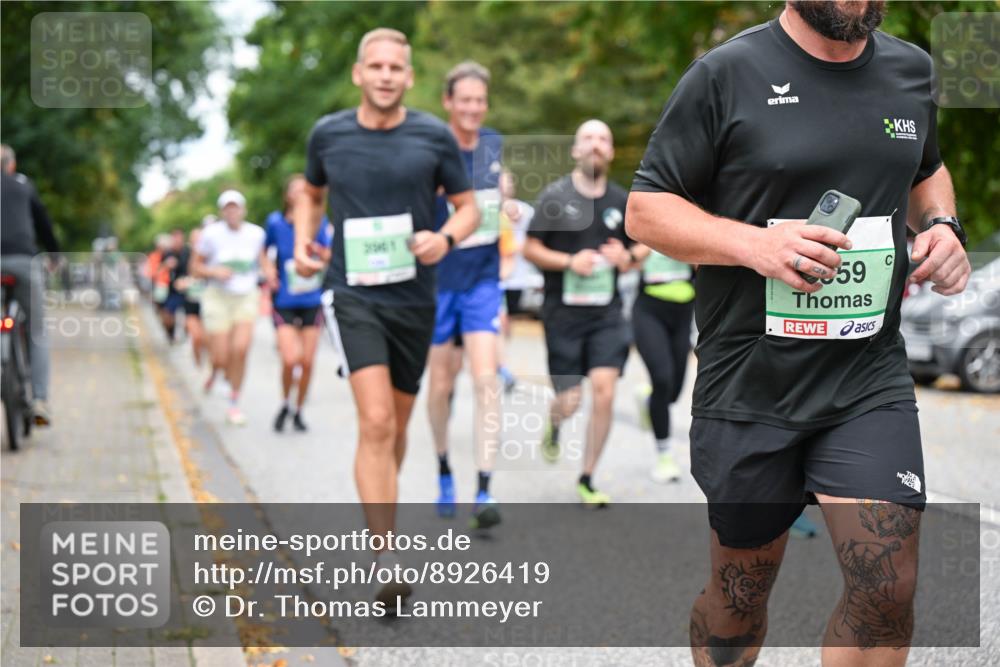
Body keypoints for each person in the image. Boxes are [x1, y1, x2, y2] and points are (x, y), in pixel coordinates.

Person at [624, 2, 971, 665]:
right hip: (752, 380)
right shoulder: (726, 74)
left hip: (867, 373)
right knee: (738, 601)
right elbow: (646, 209)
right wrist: (756, 245)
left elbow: (926, 169)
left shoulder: (911, 71)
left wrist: (943, 227)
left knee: (886, 585)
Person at [291, 28, 478, 607]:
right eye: (376, 66)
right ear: (358, 73)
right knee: (374, 422)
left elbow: (470, 208)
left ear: (409, 76)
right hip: (351, 294)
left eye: (396, 67)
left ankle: (383, 518)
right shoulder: (329, 134)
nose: (386, 75)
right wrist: (303, 240)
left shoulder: (432, 135)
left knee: (395, 428)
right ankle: (385, 555)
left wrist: (444, 238)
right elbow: (310, 192)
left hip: (414, 298)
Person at [523, 120, 640, 507]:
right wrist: (570, 261)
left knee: (604, 392)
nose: (595, 145)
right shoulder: (555, 196)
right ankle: (555, 422)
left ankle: (588, 476)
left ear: (610, 151)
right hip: (563, 315)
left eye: (603, 139)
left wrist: (627, 257)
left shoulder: (622, 201)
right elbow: (530, 249)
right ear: (575, 150)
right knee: (571, 400)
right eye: (587, 138)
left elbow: (644, 247)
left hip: (606, 314)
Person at [426, 61, 504, 529]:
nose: (473, 108)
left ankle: (483, 488)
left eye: (480, 100)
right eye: (465, 100)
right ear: (448, 102)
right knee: (440, 385)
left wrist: (508, 202)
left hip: (482, 279)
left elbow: (499, 205)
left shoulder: (495, 144)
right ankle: (442, 470)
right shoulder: (430, 146)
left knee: (485, 380)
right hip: (439, 281)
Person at [191, 190, 270, 426]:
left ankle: (234, 402)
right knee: (221, 355)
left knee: (241, 348)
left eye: (236, 207)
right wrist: (215, 271)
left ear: (243, 210)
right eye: (228, 207)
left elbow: (263, 260)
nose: (232, 211)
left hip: (246, 295)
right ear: (222, 211)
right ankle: (217, 371)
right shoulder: (210, 234)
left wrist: (270, 272)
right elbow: (195, 267)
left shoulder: (256, 234)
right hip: (217, 296)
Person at [264, 175, 332, 433]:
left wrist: (318, 254)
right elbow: (263, 252)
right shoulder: (275, 222)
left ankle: (298, 409)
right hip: (285, 300)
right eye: (295, 190)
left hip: (312, 300)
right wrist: (269, 270)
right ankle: (284, 402)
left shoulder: (320, 221)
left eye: (304, 189)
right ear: (287, 196)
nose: (300, 193)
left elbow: (329, 255)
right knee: (290, 359)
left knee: (307, 363)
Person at [0, 144, 60, 425]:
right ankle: (39, 398)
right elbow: (43, 223)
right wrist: (55, 254)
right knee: (37, 329)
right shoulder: (23, 185)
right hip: (23, 261)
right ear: (11, 165)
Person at [629, 246, 694, 483]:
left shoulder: (690, 218)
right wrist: (647, 246)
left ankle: (649, 401)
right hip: (649, 310)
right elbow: (625, 263)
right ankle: (664, 456)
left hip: (683, 311)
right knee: (662, 379)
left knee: (672, 393)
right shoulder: (644, 222)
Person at [496, 168, 540, 392]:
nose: (504, 186)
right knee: (499, 322)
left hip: (516, 280)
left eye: (507, 182)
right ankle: (503, 369)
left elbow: (528, 227)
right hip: (494, 280)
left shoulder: (523, 209)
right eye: (499, 182)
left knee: (506, 325)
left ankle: (498, 361)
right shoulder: (486, 211)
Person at [176, 226, 207, 367]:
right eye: (195, 239)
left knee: (209, 340)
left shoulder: (210, 256)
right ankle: (198, 365)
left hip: (209, 304)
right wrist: (183, 283)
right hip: (190, 303)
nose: (198, 242)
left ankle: (212, 370)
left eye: (200, 239)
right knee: (196, 337)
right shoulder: (184, 256)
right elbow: (176, 280)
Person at [158, 228, 188, 343]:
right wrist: (166, 265)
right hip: (171, 289)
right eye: (175, 238)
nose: (177, 240)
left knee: (189, 318)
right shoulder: (167, 253)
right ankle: (171, 335)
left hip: (187, 289)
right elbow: (158, 270)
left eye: (179, 238)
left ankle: (186, 335)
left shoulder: (188, 252)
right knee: (167, 316)